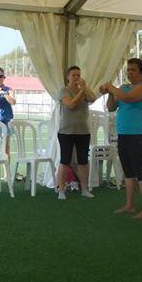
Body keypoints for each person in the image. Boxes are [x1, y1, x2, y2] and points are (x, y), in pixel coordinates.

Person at [101, 58, 142, 218]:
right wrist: (110, 93)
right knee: (128, 172)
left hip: (140, 134)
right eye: (128, 70)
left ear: (141, 72)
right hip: (124, 134)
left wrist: (111, 87)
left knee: (141, 172)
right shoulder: (123, 88)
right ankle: (130, 205)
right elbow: (111, 107)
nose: (130, 72)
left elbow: (128, 98)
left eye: (133, 70)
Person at [57, 65, 97, 200]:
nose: (76, 78)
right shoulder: (64, 90)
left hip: (83, 131)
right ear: (68, 77)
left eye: (78, 75)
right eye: (73, 75)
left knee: (83, 161)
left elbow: (93, 98)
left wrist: (84, 88)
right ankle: (61, 190)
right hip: (66, 131)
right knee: (65, 161)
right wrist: (82, 92)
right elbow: (71, 104)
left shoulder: (84, 90)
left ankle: (85, 189)